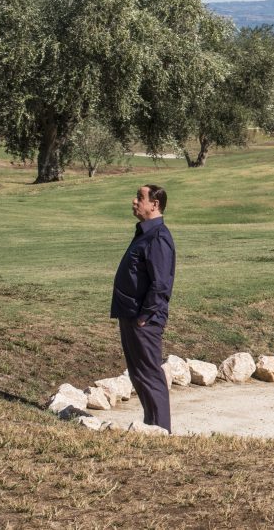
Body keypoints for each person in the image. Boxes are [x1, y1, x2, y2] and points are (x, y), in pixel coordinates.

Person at [111, 185, 176, 432]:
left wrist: (144, 316)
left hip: (143, 319)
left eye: (140, 197)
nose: (134, 201)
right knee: (139, 374)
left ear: (155, 204)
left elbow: (161, 284)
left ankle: (161, 431)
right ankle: (152, 426)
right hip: (131, 314)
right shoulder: (144, 233)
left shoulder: (158, 236)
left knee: (149, 375)